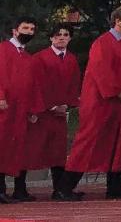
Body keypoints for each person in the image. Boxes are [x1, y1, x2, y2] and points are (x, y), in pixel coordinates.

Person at [57, 6, 121, 201]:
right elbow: (101, 71)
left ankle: (115, 186)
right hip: (101, 102)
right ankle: (65, 186)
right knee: (88, 142)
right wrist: (118, 91)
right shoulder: (102, 43)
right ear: (118, 20)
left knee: (120, 143)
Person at [21, 24, 81, 201]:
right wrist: (49, 105)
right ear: (51, 38)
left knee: (58, 153)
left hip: (60, 114)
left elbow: (74, 84)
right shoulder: (40, 58)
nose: (62, 37)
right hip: (41, 112)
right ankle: (20, 188)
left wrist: (68, 104)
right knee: (31, 150)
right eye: (58, 35)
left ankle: (60, 189)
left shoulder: (71, 59)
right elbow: (36, 84)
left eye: (65, 34)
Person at [0, 17, 42, 204]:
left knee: (17, 148)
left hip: (20, 110)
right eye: (25, 28)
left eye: (32, 29)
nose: (28, 32)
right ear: (14, 31)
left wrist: (33, 108)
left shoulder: (27, 57)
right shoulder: (3, 50)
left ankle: (18, 189)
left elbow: (32, 85)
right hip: (5, 108)